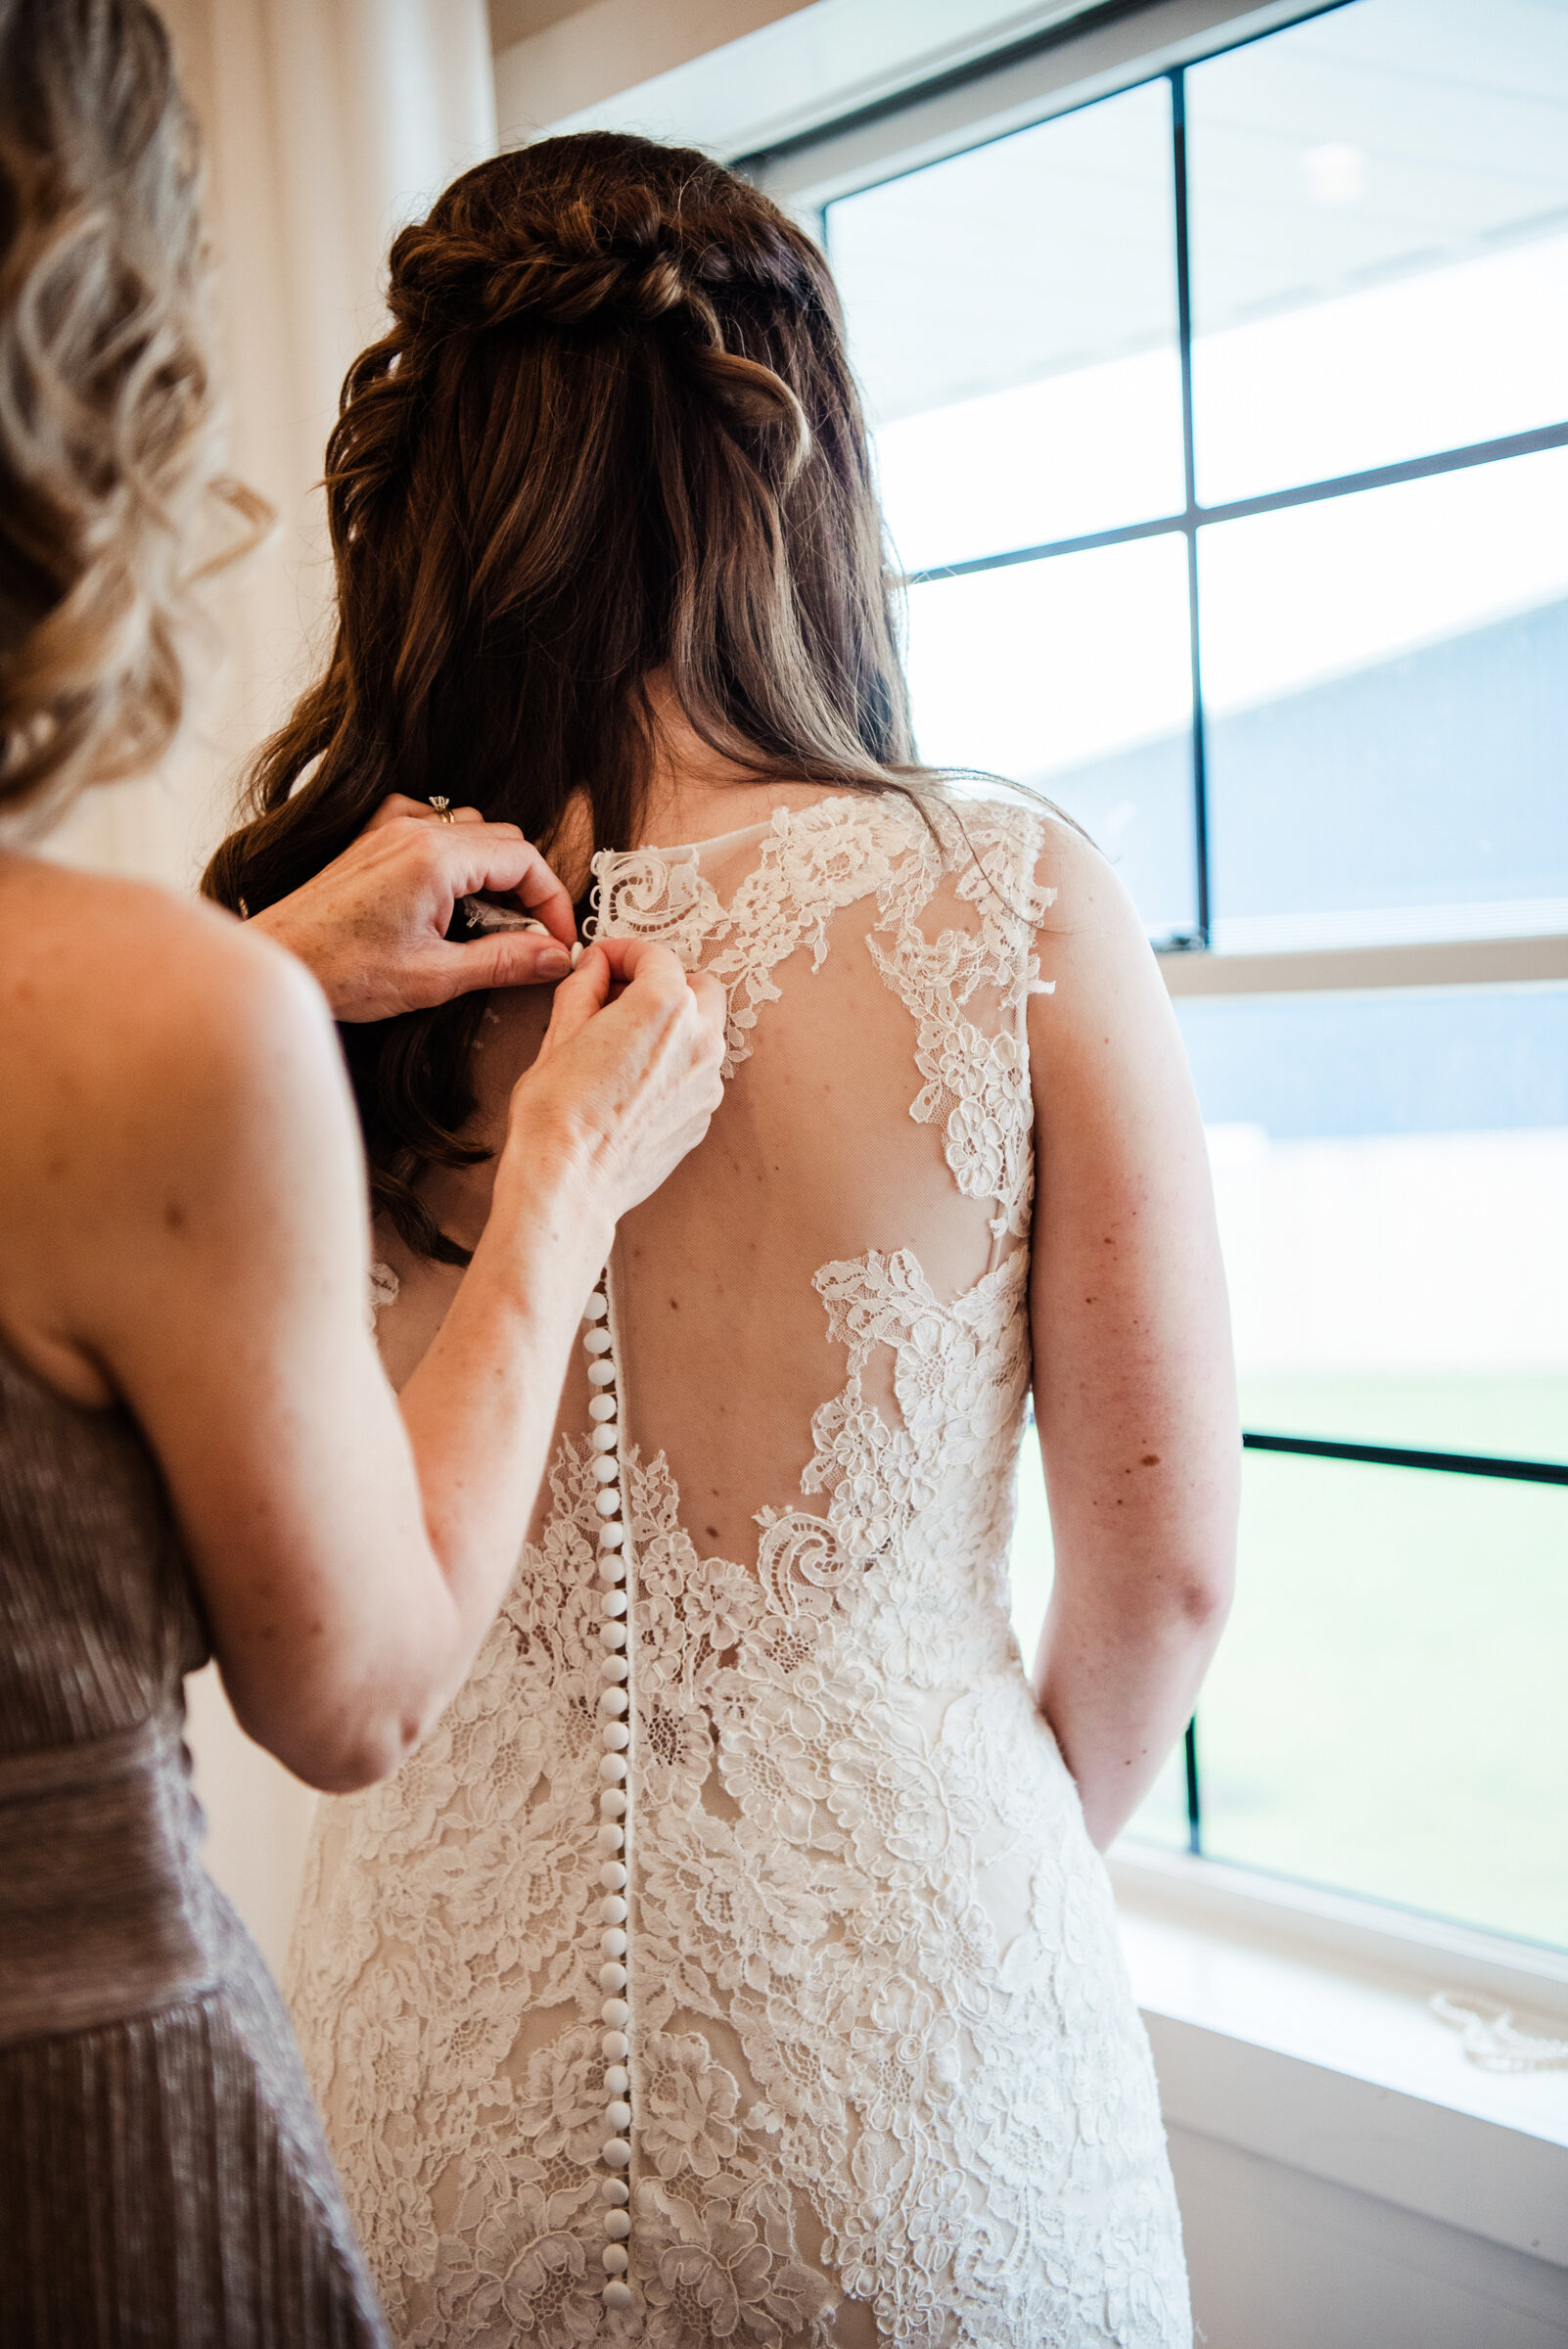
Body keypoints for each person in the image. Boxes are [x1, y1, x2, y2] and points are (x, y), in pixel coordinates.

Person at [214, 135, 1239, 2347]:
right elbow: (1164, 1576)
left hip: (427, 2062)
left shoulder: (293, 954)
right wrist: (911, 1818)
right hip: (908, 2046)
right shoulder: (1010, 904)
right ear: (797, 475)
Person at [0, 12, 724, 2344]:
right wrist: (562, 1184)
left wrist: (252, 967)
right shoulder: (143, 1031)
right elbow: (362, 1691)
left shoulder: (172, 1003)